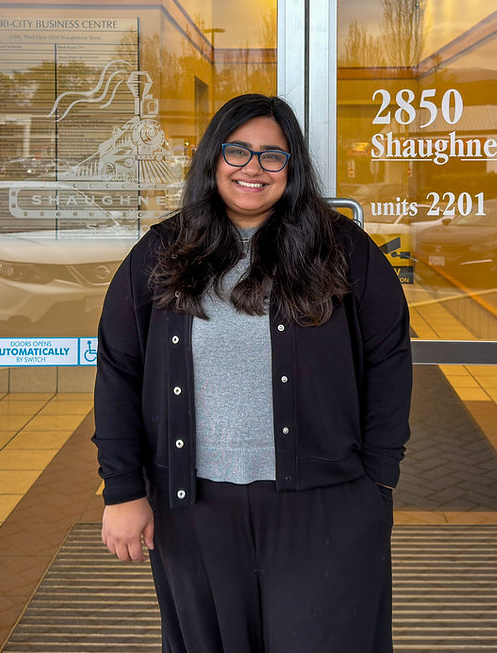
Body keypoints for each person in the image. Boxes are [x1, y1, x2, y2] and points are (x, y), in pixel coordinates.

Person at [92, 93, 411, 653]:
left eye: (272, 155)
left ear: (293, 167)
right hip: (193, 509)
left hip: (325, 506)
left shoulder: (344, 251)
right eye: (237, 151)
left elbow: (388, 362)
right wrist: (121, 490)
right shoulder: (162, 252)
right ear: (213, 158)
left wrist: (377, 481)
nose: (252, 168)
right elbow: (119, 371)